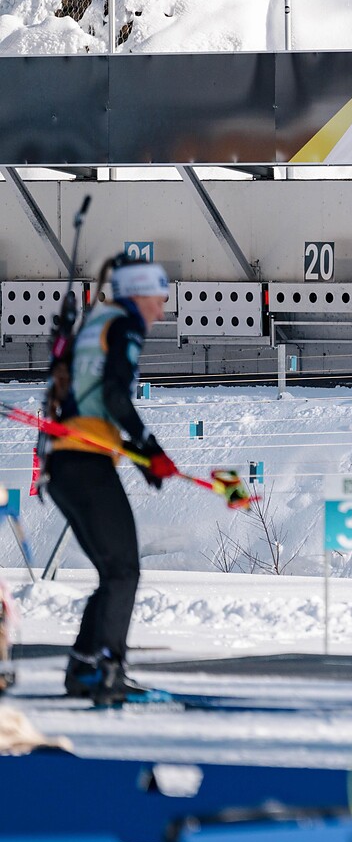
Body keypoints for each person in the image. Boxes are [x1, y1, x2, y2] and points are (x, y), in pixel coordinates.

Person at [44, 257, 177, 706]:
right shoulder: (125, 324)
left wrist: (143, 459)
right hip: (85, 464)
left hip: (64, 463)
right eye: (159, 299)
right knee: (123, 571)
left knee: (113, 572)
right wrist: (150, 448)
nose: (160, 311)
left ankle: (84, 667)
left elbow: (93, 400)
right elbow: (116, 396)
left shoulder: (96, 323)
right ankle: (109, 671)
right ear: (139, 294)